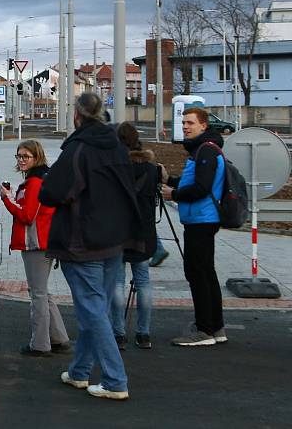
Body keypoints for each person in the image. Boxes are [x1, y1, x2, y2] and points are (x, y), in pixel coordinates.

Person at [39, 92, 140, 401]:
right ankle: (81, 371)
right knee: (95, 309)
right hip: (114, 240)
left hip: (83, 242)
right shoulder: (118, 147)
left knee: (93, 312)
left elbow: (51, 192)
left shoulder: (78, 150)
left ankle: (115, 380)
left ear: (77, 116)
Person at [161, 107, 227, 347]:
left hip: (202, 219)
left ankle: (204, 330)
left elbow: (201, 187)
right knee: (206, 272)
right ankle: (215, 326)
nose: (186, 126)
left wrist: (174, 193)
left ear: (203, 125)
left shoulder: (206, 151)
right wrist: (170, 180)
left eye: (190, 123)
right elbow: (195, 182)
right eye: (184, 122)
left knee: (198, 273)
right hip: (200, 219)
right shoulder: (202, 150)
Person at [0, 139, 70, 357]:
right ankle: (58, 337)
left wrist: (7, 200)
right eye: (19, 156)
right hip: (41, 242)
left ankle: (40, 344)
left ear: (36, 157)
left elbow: (27, 215)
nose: (21, 160)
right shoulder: (38, 179)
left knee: (37, 294)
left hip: (36, 244)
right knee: (42, 292)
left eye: (25, 156)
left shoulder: (35, 183)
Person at [109, 122, 158, 350]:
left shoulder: (114, 168)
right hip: (144, 232)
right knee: (144, 282)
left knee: (116, 283)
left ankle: (118, 333)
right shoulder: (151, 169)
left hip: (118, 231)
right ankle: (144, 333)